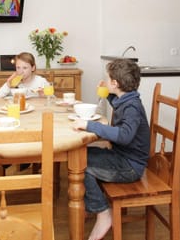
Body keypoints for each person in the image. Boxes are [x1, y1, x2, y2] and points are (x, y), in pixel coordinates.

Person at [72, 59, 150, 240]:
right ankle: (91, 204)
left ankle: (103, 213)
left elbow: (124, 135)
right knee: (81, 156)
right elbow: (118, 105)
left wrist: (89, 125)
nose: (105, 81)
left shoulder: (132, 107)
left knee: (80, 168)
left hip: (130, 166)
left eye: (107, 79)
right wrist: (108, 95)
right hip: (122, 157)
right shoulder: (127, 99)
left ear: (115, 83)